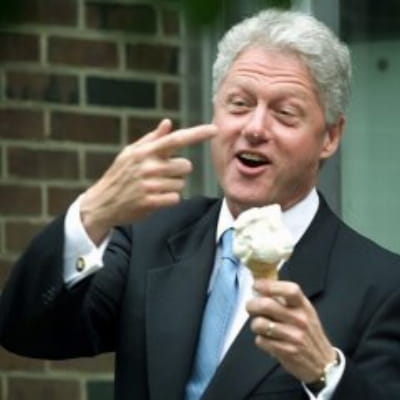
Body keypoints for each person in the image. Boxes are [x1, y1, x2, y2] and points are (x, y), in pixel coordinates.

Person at [1, 8, 400, 400]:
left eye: (284, 113)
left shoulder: (382, 286)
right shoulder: (149, 237)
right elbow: (26, 330)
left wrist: (325, 374)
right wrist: (94, 212)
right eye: (239, 104)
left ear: (330, 136)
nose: (255, 128)